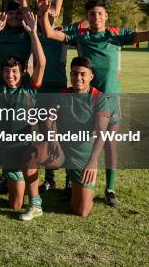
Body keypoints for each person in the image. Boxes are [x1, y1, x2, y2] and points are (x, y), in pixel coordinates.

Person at [39, 0, 149, 206]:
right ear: (87, 17)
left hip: (110, 98)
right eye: (91, 14)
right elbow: (50, 33)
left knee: (110, 145)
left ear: (106, 16)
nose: (96, 17)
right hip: (85, 100)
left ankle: (110, 190)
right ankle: (72, 184)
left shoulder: (117, 35)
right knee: (75, 141)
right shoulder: (80, 35)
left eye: (99, 14)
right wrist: (42, 13)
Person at [0, 11, 46, 221]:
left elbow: (41, 63)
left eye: (15, 71)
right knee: (15, 205)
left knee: (29, 158)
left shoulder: (30, 88)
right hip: (5, 146)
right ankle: (13, 180)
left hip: (25, 146)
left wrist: (34, 33)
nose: (10, 75)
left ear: (22, 73)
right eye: (7, 71)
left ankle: (36, 203)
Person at [19, 0, 70, 193]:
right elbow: (24, 4)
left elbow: (56, 8)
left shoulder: (59, 33)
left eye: (51, 12)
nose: (48, 14)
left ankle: (70, 176)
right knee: (45, 131)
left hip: (59, 87)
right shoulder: (34, 31)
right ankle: (50, 176)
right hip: (39, 87)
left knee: (65, 132)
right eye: (43, 12)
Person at [57, 57, 112, 217]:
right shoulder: (63, 94)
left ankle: (78, 186)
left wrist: (93, 162)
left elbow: (102, 132)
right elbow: (48, 118)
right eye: (74, 74)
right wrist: (52, 140)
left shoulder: (99, 98)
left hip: (84, 155)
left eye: (82, 74)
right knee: (33, 153)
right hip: (63, 150)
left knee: (82, 211)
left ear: (91, 76)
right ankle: (35, 201)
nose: (78, 78)